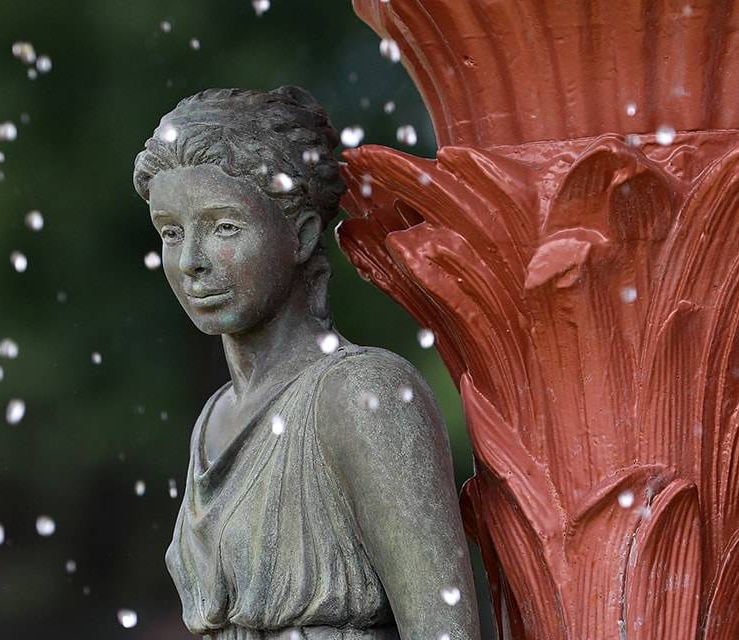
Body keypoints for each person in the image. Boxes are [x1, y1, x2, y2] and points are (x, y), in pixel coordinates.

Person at [133, 87, 480, 640]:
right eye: (172, 233)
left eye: (224, 227)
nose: (191, 263)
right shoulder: (215, 416)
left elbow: (445, 628)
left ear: (301, 235)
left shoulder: (364, 394)